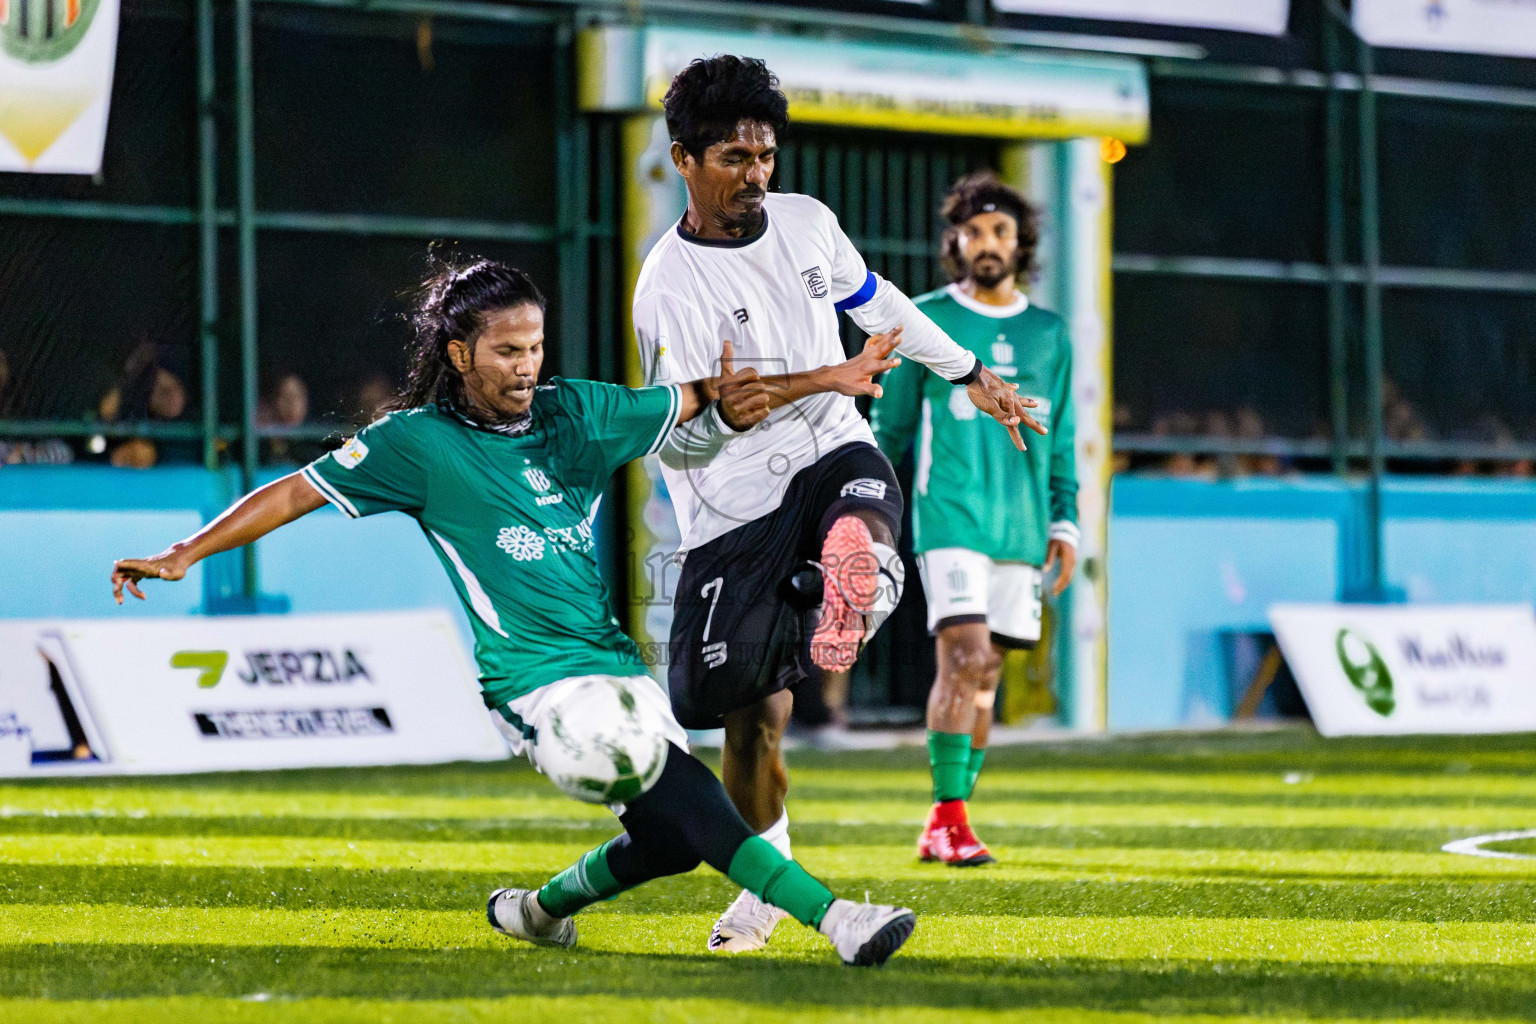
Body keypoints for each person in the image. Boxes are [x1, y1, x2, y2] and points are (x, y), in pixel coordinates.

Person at [109, 257, 917, 967]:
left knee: (671, 841)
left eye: (534, 346)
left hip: (610, 663)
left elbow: (709, 394)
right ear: (459, 355)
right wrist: (186, 551)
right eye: (506, 350)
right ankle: (837, 918)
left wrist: (824, 380)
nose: (526, 365)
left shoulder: (578, 413)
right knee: (685, 789)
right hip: (534, 685)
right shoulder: (415, 444)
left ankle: (533, 913)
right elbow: (295, 491)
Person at [632, 56, 1043, 949]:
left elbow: (878, 301)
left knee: (859, 496)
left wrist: (969, 371)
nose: (757, 174)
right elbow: (698, 426)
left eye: (766, 155)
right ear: (684, 160)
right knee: (747, 721)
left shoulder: (809, 224)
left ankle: (860, 581)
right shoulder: (669, 285)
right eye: (735, 157)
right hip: (729, 502)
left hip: (828, 447)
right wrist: (818, 378)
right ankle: (763, 882)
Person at [871, 172, 1079, 867]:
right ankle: (949, 819)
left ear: (1022, 246)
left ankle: (950, 817)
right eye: (974, 230)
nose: (987, 243)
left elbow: (1064, 437)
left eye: (1001, 231)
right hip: (948, 514)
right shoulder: (925, 319)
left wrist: (1065, 524)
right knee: (961, 656)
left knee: (986, 672)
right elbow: (889, 430)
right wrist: (865, 510)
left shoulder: (1050, 334)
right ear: (954, 240)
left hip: (1018, 528)